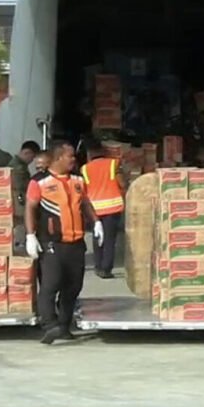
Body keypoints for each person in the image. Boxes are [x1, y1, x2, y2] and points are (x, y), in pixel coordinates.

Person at [25, 140, 103, 345]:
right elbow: (30, 208)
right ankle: (50, 326)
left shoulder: (77, 180)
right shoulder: (39, 181)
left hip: (76, 243)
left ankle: (64, 325)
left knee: (73, 287)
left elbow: (85, 203)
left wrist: (96, 222)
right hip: (52, 243)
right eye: (70, 156)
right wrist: (30, 235)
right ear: (59, 157)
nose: (73, 160)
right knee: (51, 285)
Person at [80, 139, 125, 279]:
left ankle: (98, 266)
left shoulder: (84, 168)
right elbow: (121, 183)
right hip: (112, 208)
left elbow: (84, 189)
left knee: (97, 237)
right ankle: (106, 269)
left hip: (94, 209)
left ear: (89, 153)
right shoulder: (113, 164)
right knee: (110, 240)